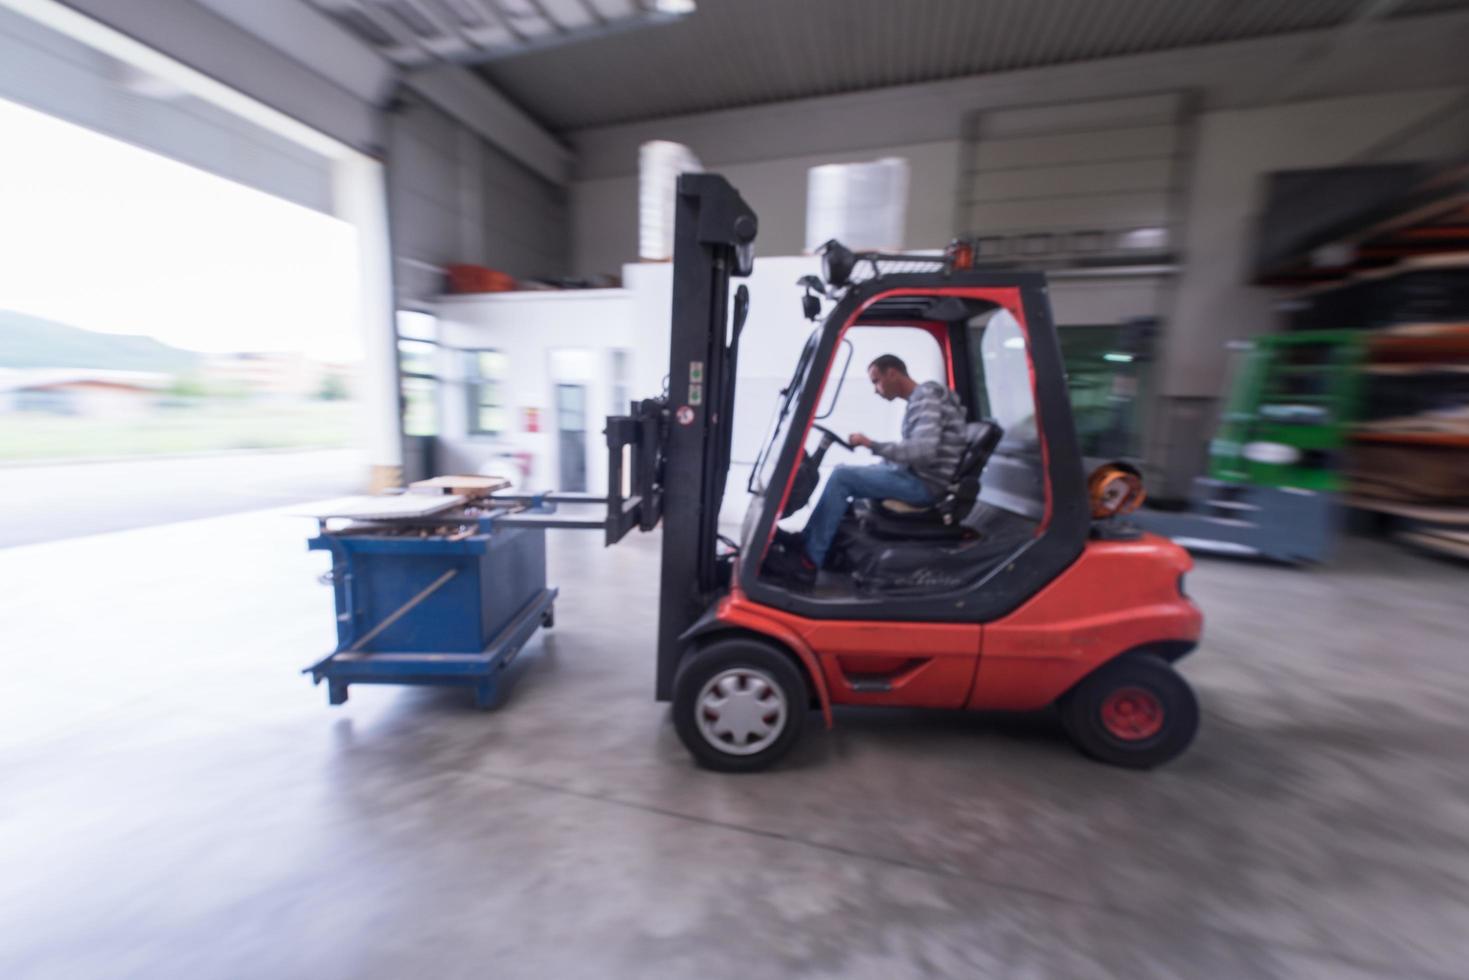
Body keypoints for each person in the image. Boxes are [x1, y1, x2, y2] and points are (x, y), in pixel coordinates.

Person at [764, 354, 968, 587]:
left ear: (893, 373)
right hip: (917, 476)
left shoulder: (926, 397)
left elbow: (923, 451)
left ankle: (809, 562)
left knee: (842, 477)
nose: (875, 390)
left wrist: (872, 445)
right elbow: (918, 452)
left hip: (925, 485)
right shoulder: (920, 400)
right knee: (846, 472)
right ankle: (808, 540)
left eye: (876, 381)